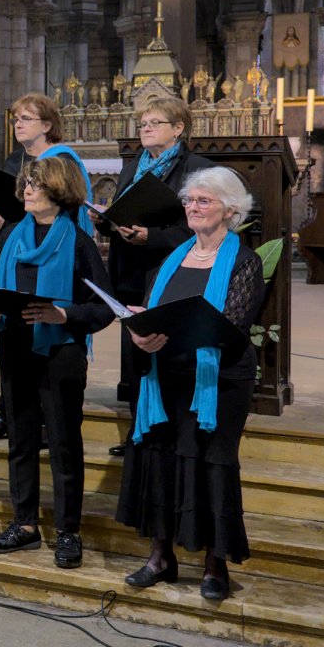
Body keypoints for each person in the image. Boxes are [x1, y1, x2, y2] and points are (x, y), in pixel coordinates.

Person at [115, 167, 265, 601]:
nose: (192, 208)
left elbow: (232, 326)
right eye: (189, 200)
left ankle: (215, 564)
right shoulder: (172, 257)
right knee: (160, 460)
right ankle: (160, 556)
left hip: (218, 380)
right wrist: (138, 332)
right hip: (165, 375)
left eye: (203, 201)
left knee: (212, 464)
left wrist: (169, 329)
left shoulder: (244, 261)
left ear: (230, 210)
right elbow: (152, 309)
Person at [0, 155, 113, 568]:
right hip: (15, 347)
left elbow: (103, 307)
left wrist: (63, 314)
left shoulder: (79, 242)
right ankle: (24, 525)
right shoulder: (12, 234)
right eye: (27, 183)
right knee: (20, 439)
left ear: (59, 190)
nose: (28, 190)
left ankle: (68, 531)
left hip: (60, 352)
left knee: (64, 442)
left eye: (36, 184)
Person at [91, 96, 212, 453]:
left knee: (165, 353)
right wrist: (106, 222)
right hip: (130, 271)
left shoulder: (196, 169)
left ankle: (166, 437)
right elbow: (122, 214)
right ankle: (139, 433)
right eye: (143, 123)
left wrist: (153, 237)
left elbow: (200, 227)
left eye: (155, 123)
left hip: (169, 272)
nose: (146, 129)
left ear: (178, 128)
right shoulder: (134, 167)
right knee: (136, 358)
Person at [0, 92, 72, 442]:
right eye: (16, 119)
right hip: (17, 251)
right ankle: (10, 412)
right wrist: (1, 227)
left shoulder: (63, 161)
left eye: (26, 119)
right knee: (14, 335)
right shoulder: (15, 160)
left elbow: (67, 210)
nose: (17, 124)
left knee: (42, 336)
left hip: (50, 254)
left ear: (47, 125)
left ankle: (46, 418)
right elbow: (14, 211)